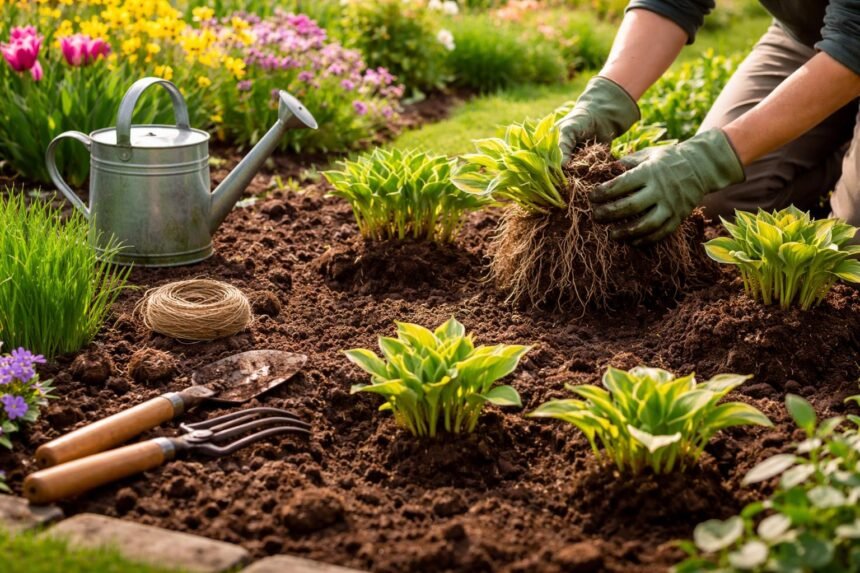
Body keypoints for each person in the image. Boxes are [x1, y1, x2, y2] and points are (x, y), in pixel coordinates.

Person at [557, 1, 860, 245]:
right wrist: (606, 100)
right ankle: (842, 157)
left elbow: (854, 42)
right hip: (810, 37)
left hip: (853, 39)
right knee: (720, 199)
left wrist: (710, 158)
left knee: (852, 247)